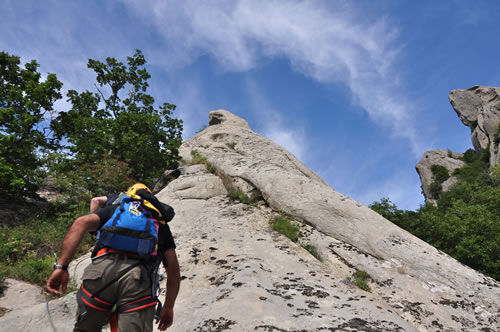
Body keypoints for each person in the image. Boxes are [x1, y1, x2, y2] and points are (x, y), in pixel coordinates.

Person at [46, 184, 180, 332]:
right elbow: (173, 272)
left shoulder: (114, 210)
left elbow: (80, 223)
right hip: (138, 281)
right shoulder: (158, 223)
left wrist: (61, 267)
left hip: (100, 274)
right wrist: (168, 307)